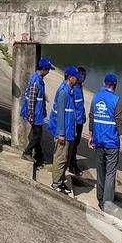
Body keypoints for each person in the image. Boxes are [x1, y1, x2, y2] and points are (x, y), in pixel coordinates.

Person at [87, 73, 122, 211]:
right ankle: (107, 202)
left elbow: (91, 117)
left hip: (98, 141)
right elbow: (119, 122)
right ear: (115, 85)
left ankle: (100, 197)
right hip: (112, 142)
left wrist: (90, 135)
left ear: (104, 83)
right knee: (110, 173)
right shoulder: (117, 100)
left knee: (100, 171)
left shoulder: (96, 97)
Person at [48, 66, 81, 195]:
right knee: (60, 158)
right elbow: (61, 114)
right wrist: (61, 133)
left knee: (65, 158)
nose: (77, 80)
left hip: (69, 131)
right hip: (63, 133)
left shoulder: (70, 91)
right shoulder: (63, 92)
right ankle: (56, 183)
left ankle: (61, 181)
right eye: (76, 77)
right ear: (70, 78)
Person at [20, 58, 55, 165]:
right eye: (48, 70)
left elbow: (39, 99)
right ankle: (27, 153)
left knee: (38, 134)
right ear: (43, 69)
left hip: (38, 113)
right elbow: (32, 99)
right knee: (37, 135)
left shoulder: (39, 79)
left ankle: (39, 156)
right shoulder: (36, 81)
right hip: (35, 113)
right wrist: (31, 115)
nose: (48, 72)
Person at [67, 66, 87, 176]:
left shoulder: (80, 87)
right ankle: (72, 165)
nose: (82, 78)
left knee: (76, 144)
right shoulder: (73, 88)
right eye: (80, 76)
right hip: (74, 122)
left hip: (80, 121)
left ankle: (72, 164)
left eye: (84, 76)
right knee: (73, 145)